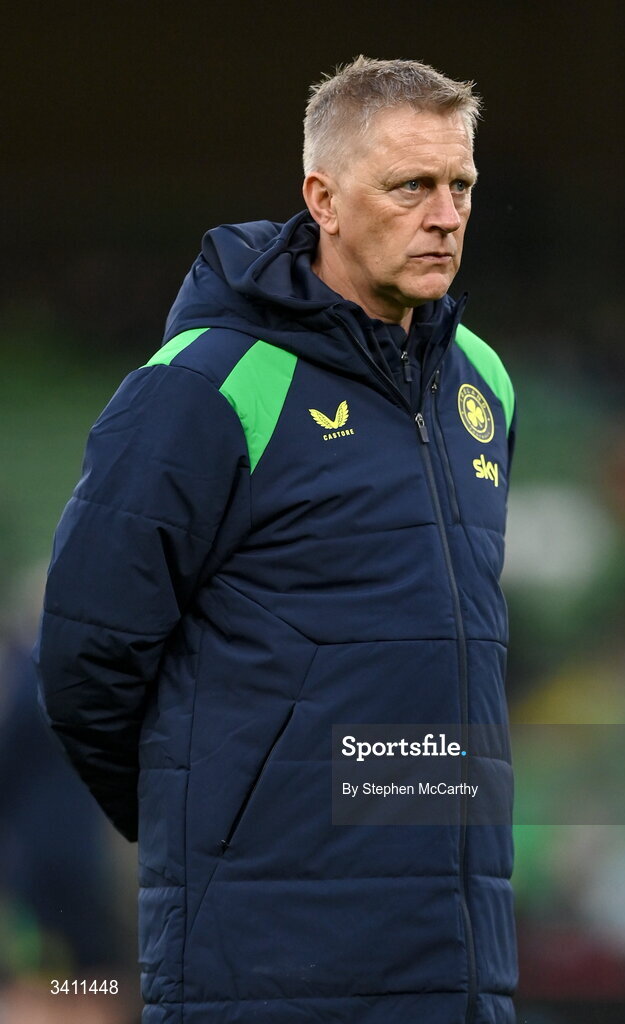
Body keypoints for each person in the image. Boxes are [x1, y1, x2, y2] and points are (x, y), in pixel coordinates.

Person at [35, 56, 519, 1024]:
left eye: (459, 185)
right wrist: (219, 823)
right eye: (409, 186)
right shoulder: (208, 384)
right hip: (265, 960)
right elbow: (85, 658)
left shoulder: (481, 384)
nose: (444, 215)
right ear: (323, 198)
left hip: (454, 951)